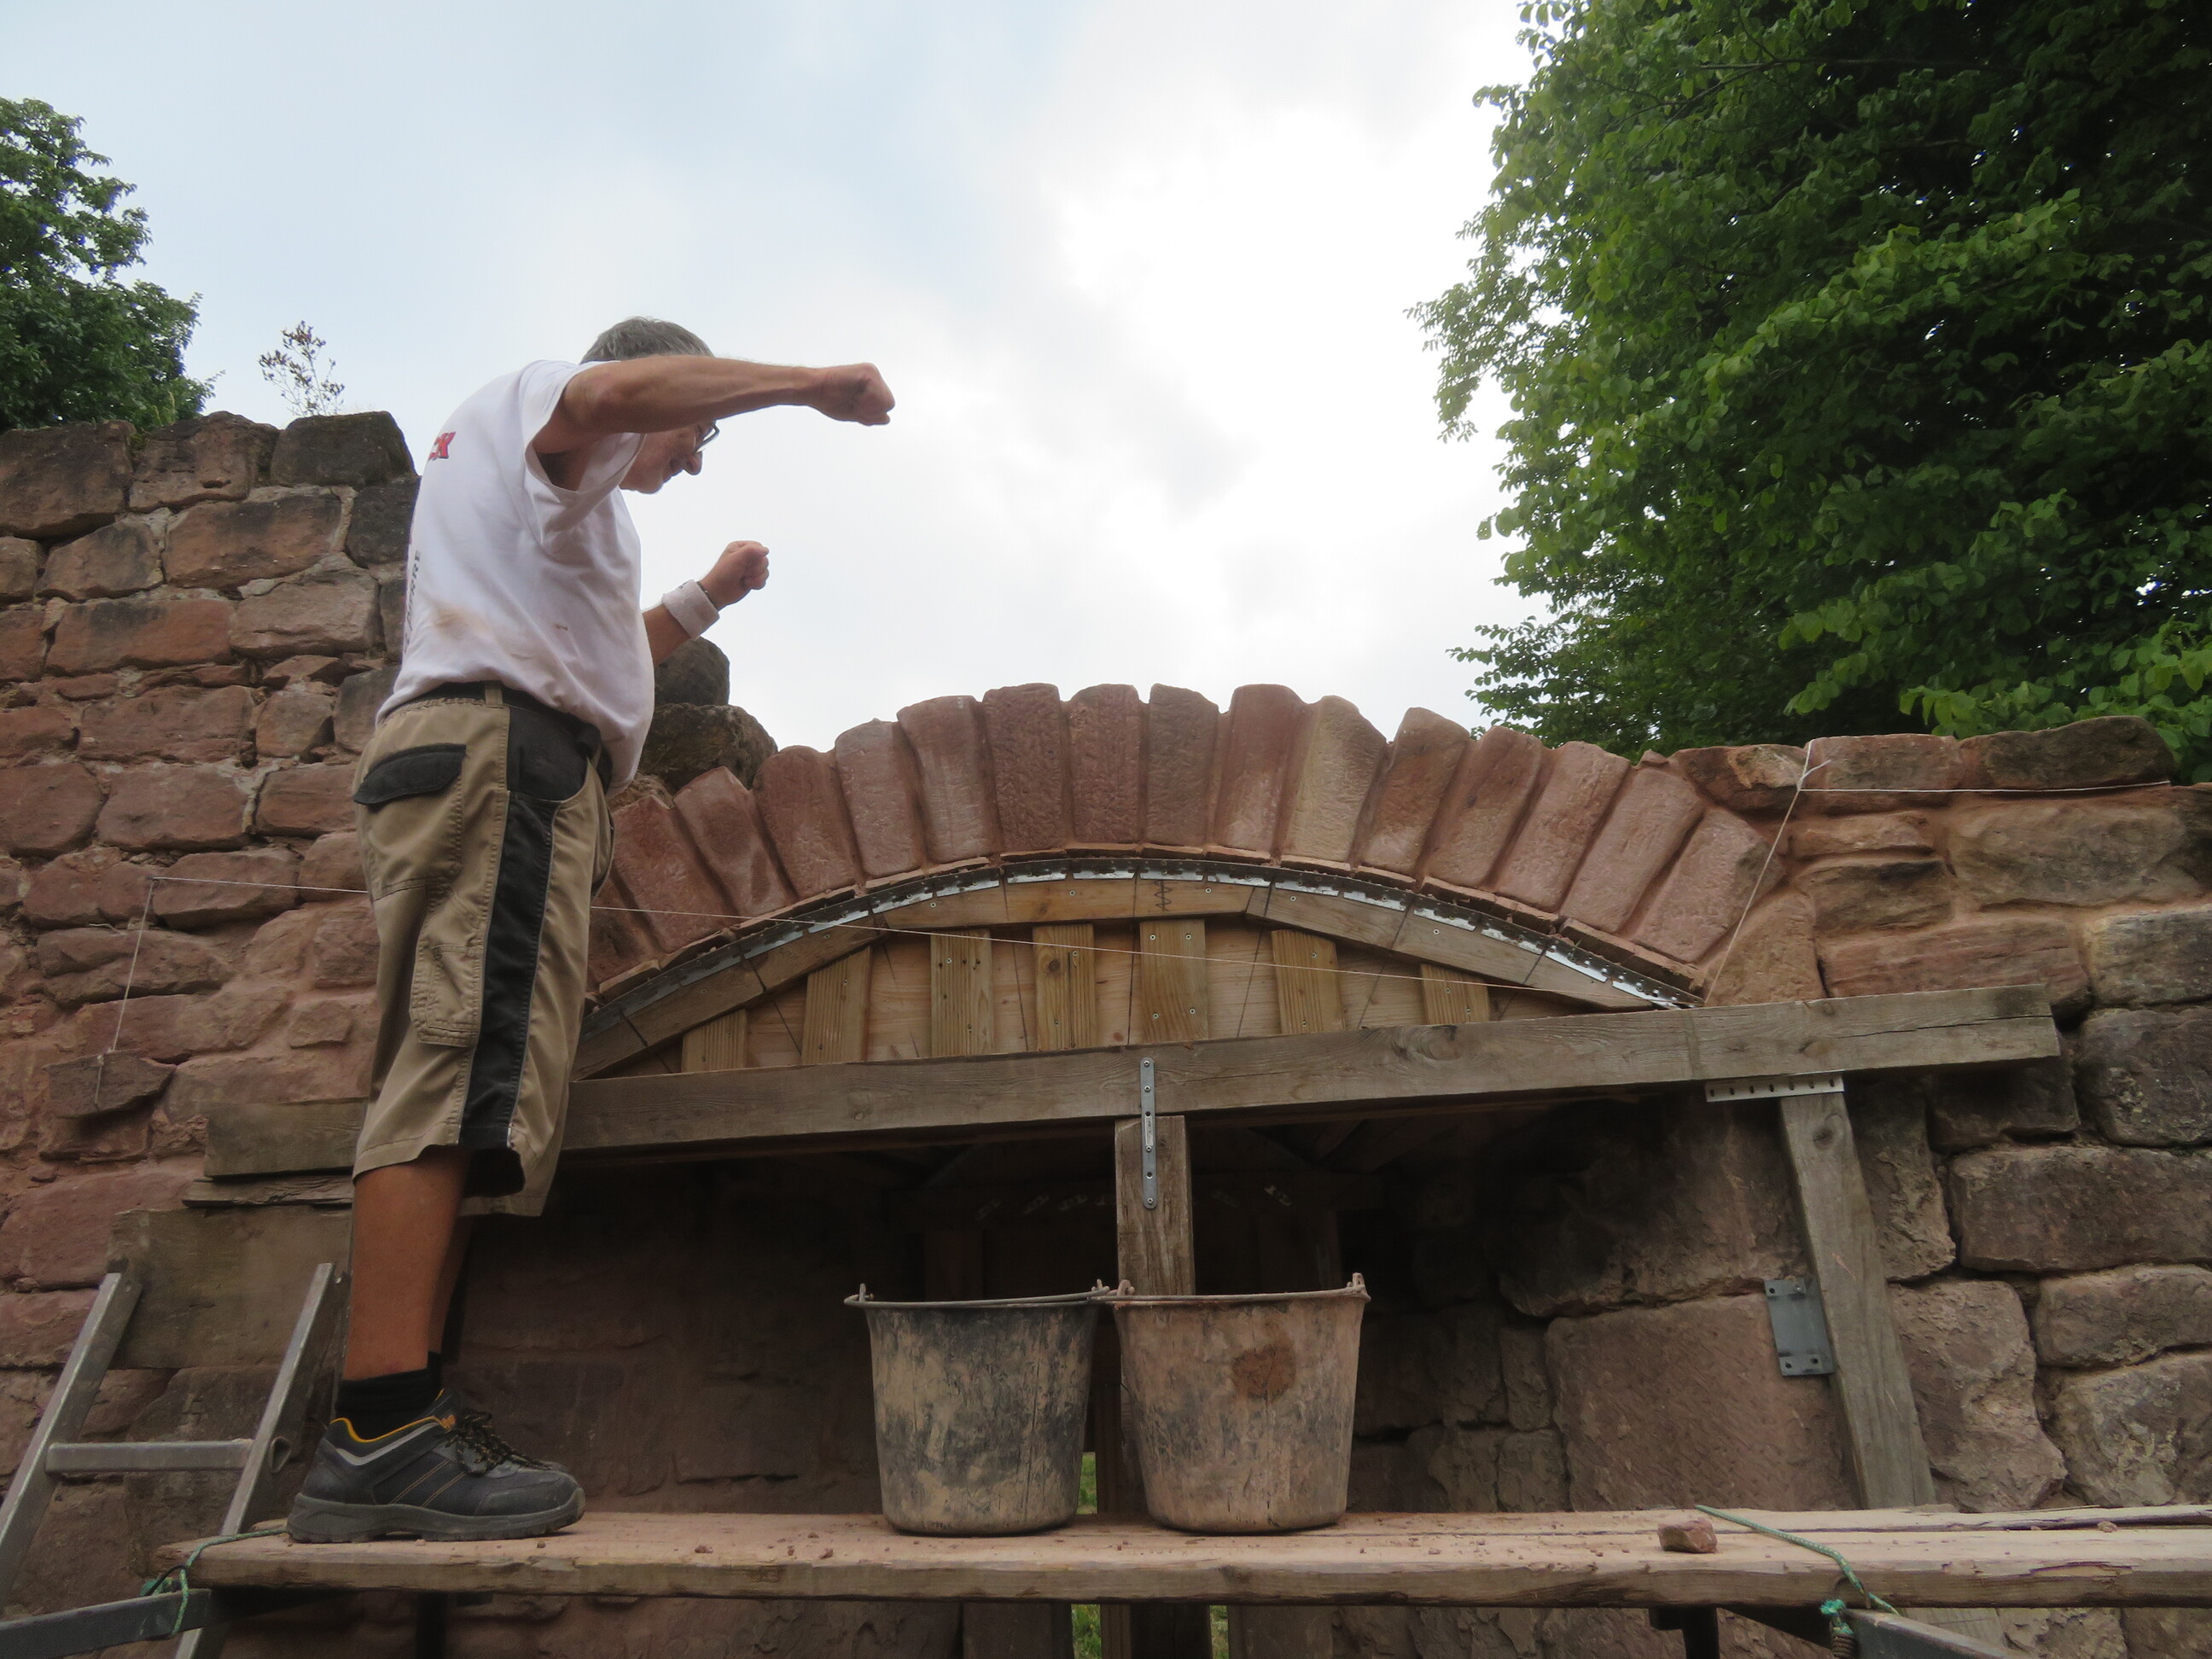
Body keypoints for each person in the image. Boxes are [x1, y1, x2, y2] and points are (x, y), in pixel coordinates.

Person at [286, 319, 894, 1543]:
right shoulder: (548, 409)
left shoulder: (553, 514)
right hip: (503, 766)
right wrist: (808, 385)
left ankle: (403, 1417)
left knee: (472, 1084)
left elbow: (604, 660)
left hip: (508, 767)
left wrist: (706, 598)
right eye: (700, 430)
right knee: (455, 1073)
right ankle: (379, 1435)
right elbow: (616, 394)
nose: (698, 456)